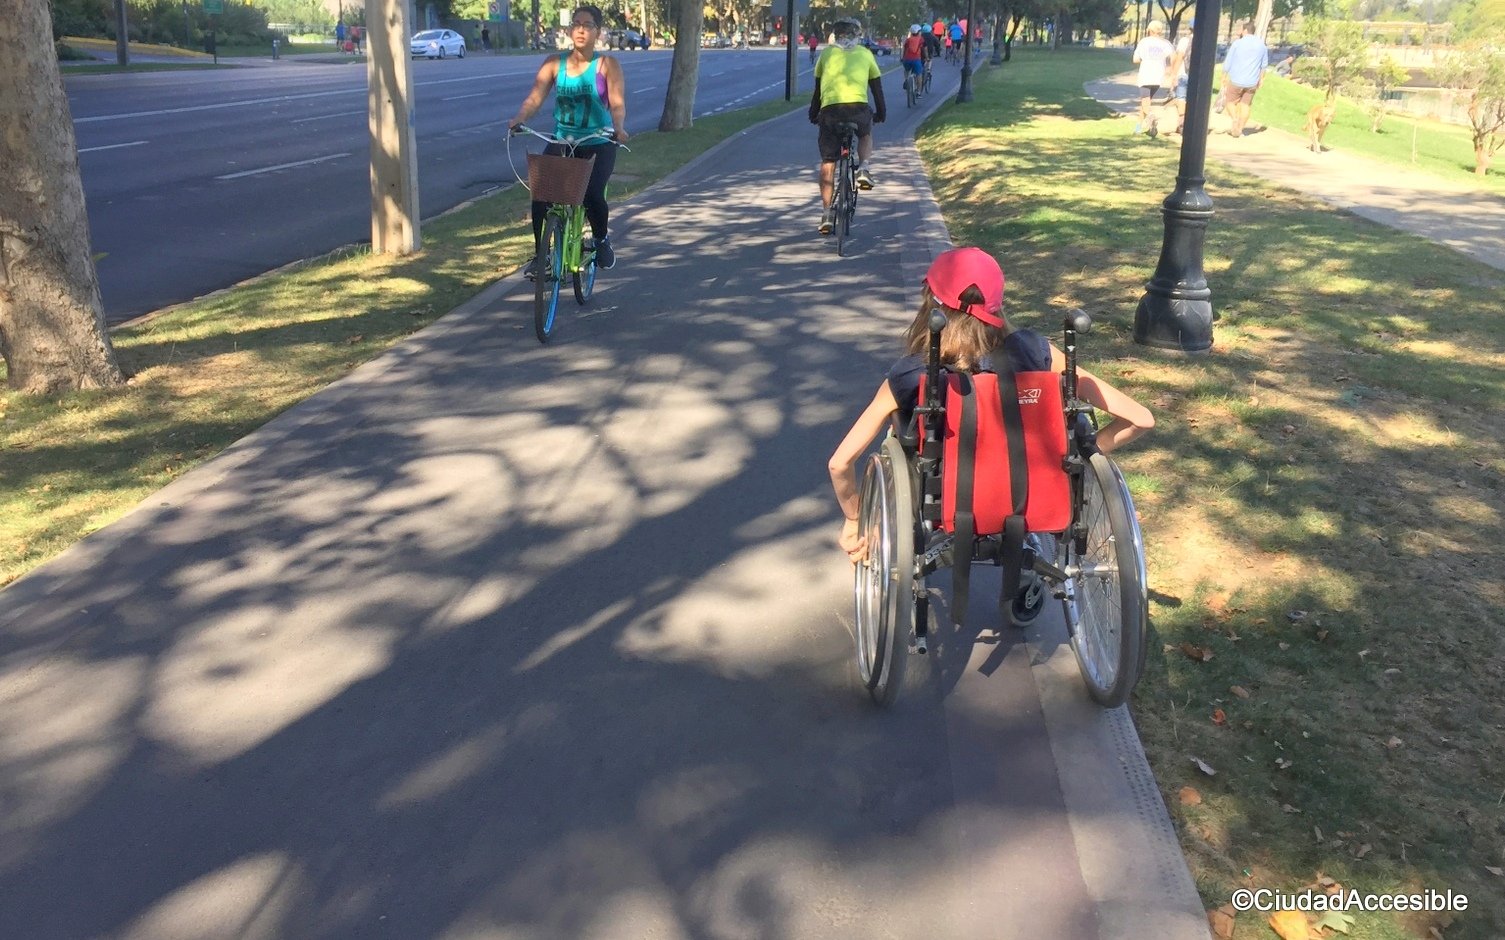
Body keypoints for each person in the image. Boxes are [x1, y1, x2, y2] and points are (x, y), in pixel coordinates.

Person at [827, 247, 1154, 561]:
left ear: (931, 303)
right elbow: (1140, 419)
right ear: (998, 305)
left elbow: (839, 464)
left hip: (947, 501)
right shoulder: (1034, 352)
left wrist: (855, 519)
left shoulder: (912, 374)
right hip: (1031, 493)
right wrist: (1072, 461)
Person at [509, 5, 629, 273]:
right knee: (541, 193)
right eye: (576, 24)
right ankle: (542, 255)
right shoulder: (554, 63)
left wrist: (619, 128)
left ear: (598, 32)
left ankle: (601, 240)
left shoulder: (607, 64)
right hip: (564, 140)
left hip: (599, 141)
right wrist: (520, 118)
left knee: (591, 193)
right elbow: (535, 98)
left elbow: (618, 104)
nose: (580, 29)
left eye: (587, 24)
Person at [810, 16, 886, 235]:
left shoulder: (826, 54)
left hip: (830, 113)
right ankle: (863, 167)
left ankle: (826, 213)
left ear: (835, 35)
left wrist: (813, 113)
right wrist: (880, 113)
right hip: (858, 109)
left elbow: (818, 90)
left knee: (828, 161)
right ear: (857, 35)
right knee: (865, 134)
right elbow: (876, 89)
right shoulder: (866, 54)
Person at [1220, 20, 1269, 138]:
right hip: (1252, 81)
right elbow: (1264, 65)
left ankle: (1235, 119)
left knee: (1230, 101)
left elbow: (1228, 61)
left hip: (1236, 79)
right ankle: (1240, 128)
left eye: (1241, 29)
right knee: (1246, 105)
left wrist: (1224, 76)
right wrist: (1261, 79)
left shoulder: (1237, 44)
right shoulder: (1262, 45)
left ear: (1245, 30)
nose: (1240, 31)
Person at [1131, 21, 1174, 136]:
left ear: (1149, 30)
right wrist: (1169, 68)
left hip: (1146, 75)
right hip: (1158, 76)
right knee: (1146, 102)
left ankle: (1151, 118)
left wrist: (1145, 59)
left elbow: (1135, 59)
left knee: (1145, 102)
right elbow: (1172, 57)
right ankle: (1138, 127)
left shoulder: (1144, 42)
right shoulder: (1165, 43)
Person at [1166, 19, 1194, 135]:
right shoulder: (1206, 41)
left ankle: (1182, 122)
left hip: (1183, 74)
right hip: (1196, 77)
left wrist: (1173, 74)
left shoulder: (1184, 40)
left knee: (1181, 98)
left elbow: (1179, 58)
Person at [900, 25, 926, 95]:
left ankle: (906, 80)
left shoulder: (908, 40)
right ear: (918, 32)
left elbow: (904, 49)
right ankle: (919, 92)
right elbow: (923, 49)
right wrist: (926, 57)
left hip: (907, 59)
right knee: (919, 75)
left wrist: (902, 58)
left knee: (906, 70)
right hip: (916, 59)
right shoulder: (921, 39)